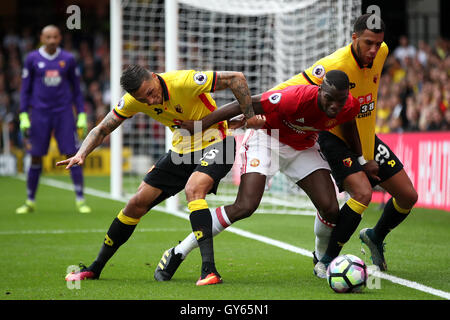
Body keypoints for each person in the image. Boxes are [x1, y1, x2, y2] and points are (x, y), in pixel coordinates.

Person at [153, 70, 363, 282]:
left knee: (330, 209)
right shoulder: (295, 98)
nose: (335, 105)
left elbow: (349, 126)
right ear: (320, 91)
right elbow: (240, 105)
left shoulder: (348, 105)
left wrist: (362, 161)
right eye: (329, 98)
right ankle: (178, 252)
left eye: (340, 100)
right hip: (266, 138)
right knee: (245, 206)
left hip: (303, 147)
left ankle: (321, 259)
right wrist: (200, 125)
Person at [61, 65, 254, 286]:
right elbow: (102, 129)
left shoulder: (184, 81)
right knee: (135, 203)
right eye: (144, 100)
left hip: (218, 142)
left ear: (154, 77)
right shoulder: (134, 100)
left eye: (151, 93)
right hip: (181, 151)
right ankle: (95, 268)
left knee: (194, 189)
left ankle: (209, 270)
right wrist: (81, 153)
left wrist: (251, 116)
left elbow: (236, 78)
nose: (151, 101)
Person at [276, 13, 418, 276]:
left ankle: (375, 236)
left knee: (408, 196)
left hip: (366, 138)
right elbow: (288, 88)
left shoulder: (382, 51)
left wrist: (366, 154)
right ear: (354, 38)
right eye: (367, 43)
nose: (374, 49)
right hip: (335, 137)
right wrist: (256, 109)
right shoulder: (333, 64)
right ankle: (327, 260)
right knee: (363, 194)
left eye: (378, 43)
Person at [16, 25, 90, 214]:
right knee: (36, 156)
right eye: (48, 37)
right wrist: (24, 114)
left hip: (64, 113)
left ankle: (80, 199)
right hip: (40, 113)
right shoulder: (32, 59)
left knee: (72, 154)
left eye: (55, 37)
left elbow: (77, 89)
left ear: (60, 38)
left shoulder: (68, 59)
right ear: (41, 37)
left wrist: (81, 114)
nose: (51, 40)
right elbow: (25, 89)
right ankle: (30, 200)